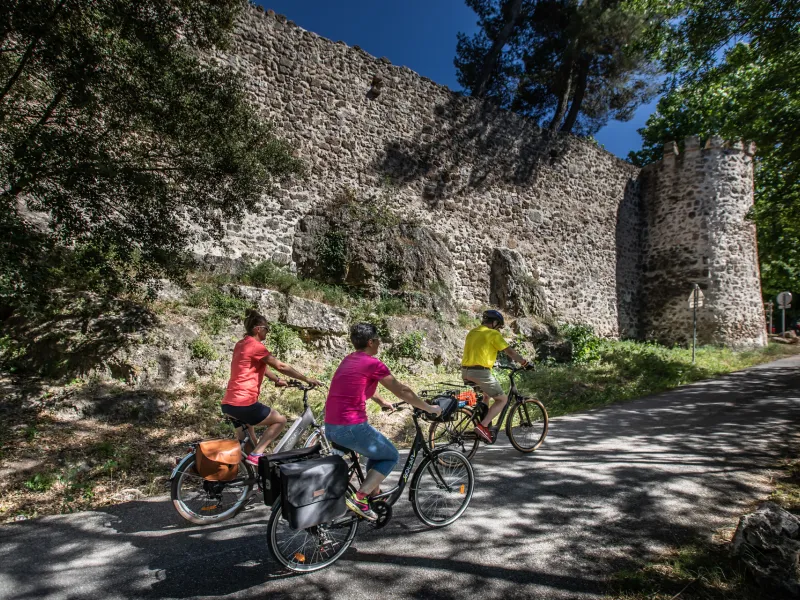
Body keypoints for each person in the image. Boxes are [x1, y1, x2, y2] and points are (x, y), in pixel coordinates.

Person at [325, 322, 441, 521]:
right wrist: (429, 408)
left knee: (377, 452)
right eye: (378, 340)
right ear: (371, 342)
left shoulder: (349, 360)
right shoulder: (373, 364)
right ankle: (360, 499)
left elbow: (359, 386)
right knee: (390, 456)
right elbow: (402, 390)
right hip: (350, 426)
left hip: (331, 426)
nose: (380, 343)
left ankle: (374, 494)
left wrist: (382, 401)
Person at [222, 310, 323, 466]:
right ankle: (256, 454)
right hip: (244, 402)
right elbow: (280, 365)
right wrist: (306, 378)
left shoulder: (241, 344)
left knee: (250, 441)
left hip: (229, 403)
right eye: (266, 328)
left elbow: (261, 365)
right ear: (257, 329)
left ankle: (254, 481)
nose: (267, 331)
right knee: (280, 421)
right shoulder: (256, 346)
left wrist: (277, 379)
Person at [461, 309, 530, 444]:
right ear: (494, 323)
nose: (498, 329)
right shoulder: (492, 334)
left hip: (465, 372)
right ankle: (483, 426)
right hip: (480, 373)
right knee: (502, 400)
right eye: (498, 326)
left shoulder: (472, 332)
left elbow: (479, 351)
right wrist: (524, 363)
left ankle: (482, 420)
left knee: (486, 396)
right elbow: (510, 352)